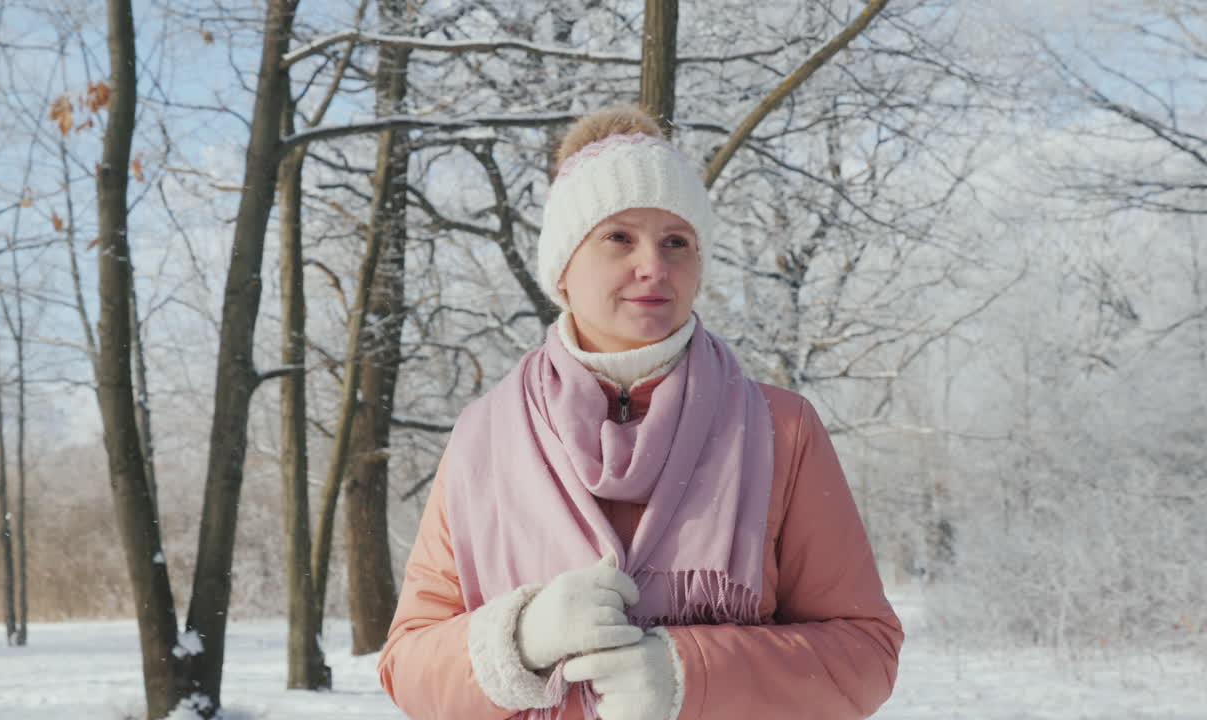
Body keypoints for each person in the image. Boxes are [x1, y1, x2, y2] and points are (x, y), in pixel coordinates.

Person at [377, 106, 903, 720]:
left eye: (676, 242)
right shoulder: (483, 437)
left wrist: (693, 675)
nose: (653, 265)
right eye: (619, 237)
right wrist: (518, 641)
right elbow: (406, 664)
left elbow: (865, 653)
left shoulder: (779, 427)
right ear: (564, 270)